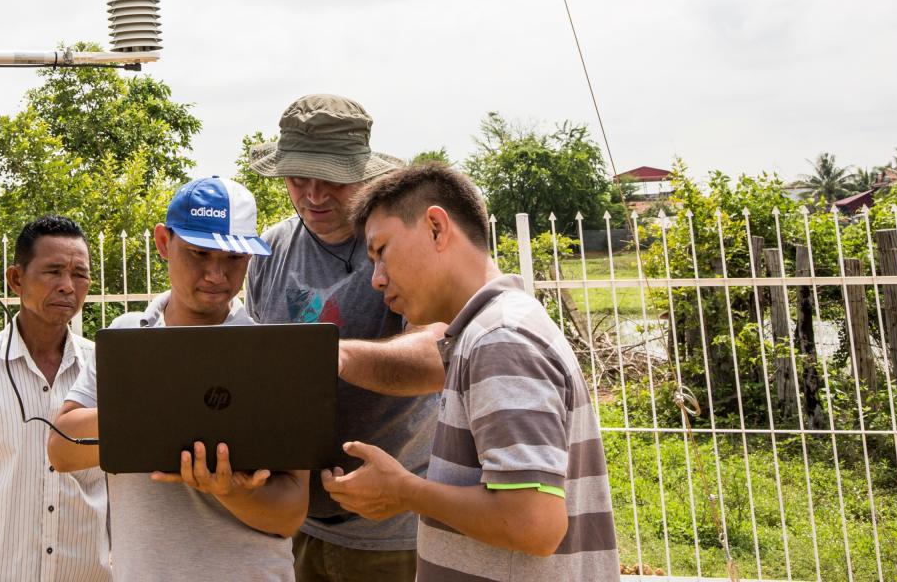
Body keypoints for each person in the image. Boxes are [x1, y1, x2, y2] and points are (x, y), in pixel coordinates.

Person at [321, 163, 618, 581]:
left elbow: (533, 523)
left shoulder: (500, 340)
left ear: (437, 228)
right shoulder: (487, 331)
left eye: (382, 251)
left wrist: (404, 490)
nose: (377, 279)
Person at [48, 176, 310, 582]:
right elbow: (63, 448)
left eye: (234, 259)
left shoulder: (271, 356)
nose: (217, 275)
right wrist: (168, 412)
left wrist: (231, 490)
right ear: (164, 243)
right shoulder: (126, 338)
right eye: (200, 254)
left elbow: (290, 513)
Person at [244, 93, 442, 581]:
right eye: (298, 179)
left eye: (331, 178)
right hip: (291, 522)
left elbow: (438, 356)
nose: (313, 195)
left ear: (366, 173)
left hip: (390, 530)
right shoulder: (269, 248)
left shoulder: (400, 246)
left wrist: (328, 358)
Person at [0, 216, 110, 581]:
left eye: (80, 274)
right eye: (53, 272)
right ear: (16, 279)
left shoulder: (105, 370)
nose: (68, 286)